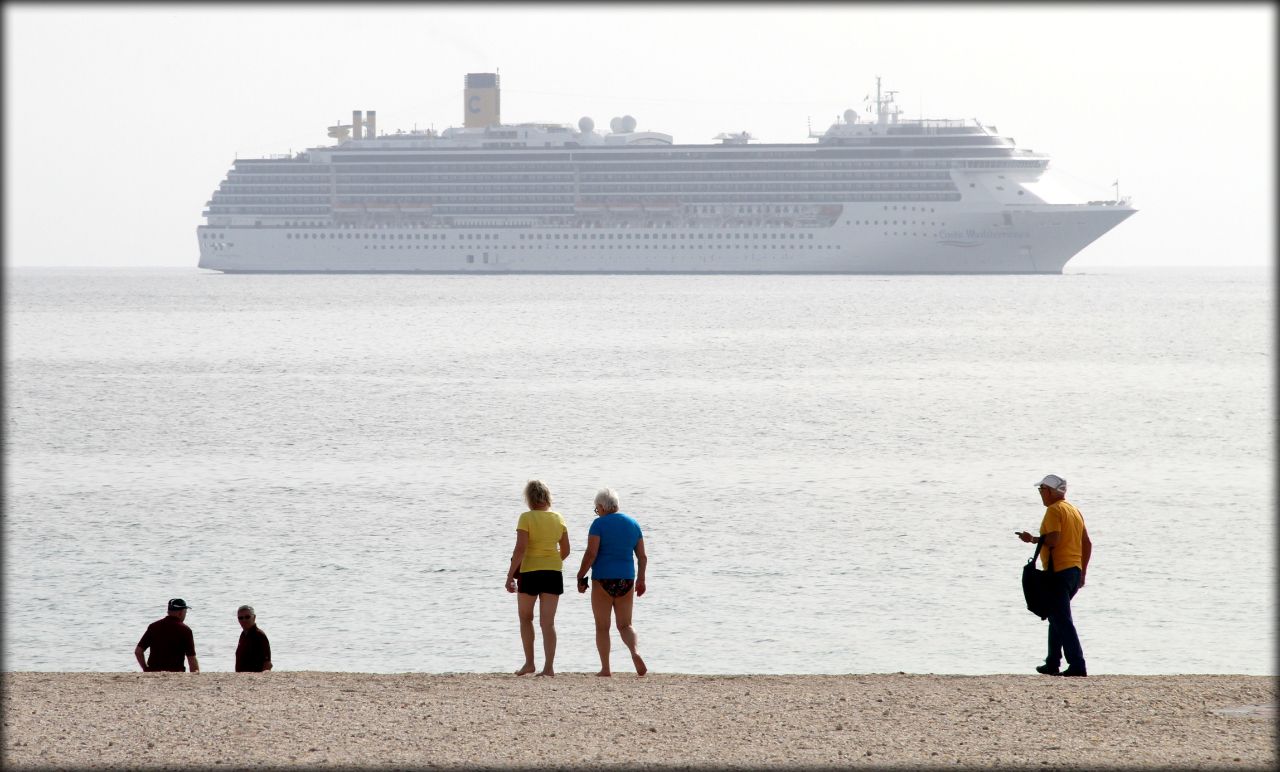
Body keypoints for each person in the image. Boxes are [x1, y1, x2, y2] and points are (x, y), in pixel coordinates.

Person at [1017, 474, 1092, 677]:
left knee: (1062, 619)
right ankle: (1052, 662)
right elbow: (1087, 543)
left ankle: (1077, 664)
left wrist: (1033, 539)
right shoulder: (1074, 511)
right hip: (1074, 572)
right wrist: (1083, 572)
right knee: (1056, 616)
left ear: (1050, 491)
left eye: (1041, 490)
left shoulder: (1054, 510)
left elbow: (1054, 540)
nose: (1040, 494)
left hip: (1059, 572)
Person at [575, 487, 647, 677]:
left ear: (601, 507)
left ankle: (606, 668)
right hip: (627, 579)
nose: (597, 512)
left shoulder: (598, 525)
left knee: (602, 626)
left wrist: (580, 575)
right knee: (625, 625)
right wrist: (641, 579)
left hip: (603, 579)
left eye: (596, 509)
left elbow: (591, 554)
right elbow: (642, 557)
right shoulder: (633, 524)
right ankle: (635, 652)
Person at [505, 479, 570, 677]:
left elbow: (520, 549)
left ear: (529, 498)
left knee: (526, 618)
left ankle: (530, 663)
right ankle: (549, 667)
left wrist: (509, 575)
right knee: (548, 623)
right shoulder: (559, 518)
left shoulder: (526, 518)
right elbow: (566, 550)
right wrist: (551, 561)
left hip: (530, 572)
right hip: (553, 573)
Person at [135, 598, 199, 673]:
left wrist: (146, 669)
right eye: (186, 612)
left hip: (153, 671)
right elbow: (191, 658)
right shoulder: (185, 630)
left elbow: (138, 652)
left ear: (168, 611)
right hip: (176, 672)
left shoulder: (153, 627)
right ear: (181, 612)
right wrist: (195, 675)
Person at [235, 605, 273, 672]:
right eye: (240, 618)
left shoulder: (260, 635)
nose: (244, 620)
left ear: (254, 617)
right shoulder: (243, 635)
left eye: (247, 617)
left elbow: (267, 664)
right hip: (240, 678)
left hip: (254, 679)